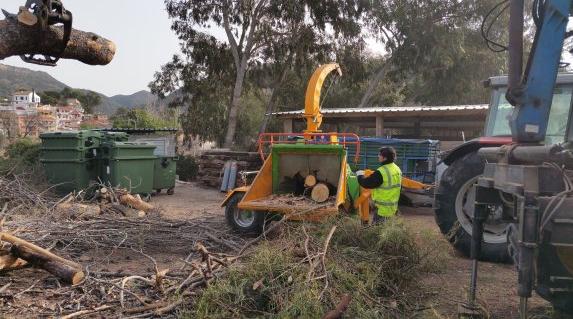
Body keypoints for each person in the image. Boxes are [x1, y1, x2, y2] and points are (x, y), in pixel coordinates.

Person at [356, 146, 402, 223]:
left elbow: (366, 184)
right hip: (392, 208)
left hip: (382, 210)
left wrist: (359, 175)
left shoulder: (381, 172)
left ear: (385, 158)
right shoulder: (397, 169)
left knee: (377, 232)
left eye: (380, 155)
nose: (378, 156)